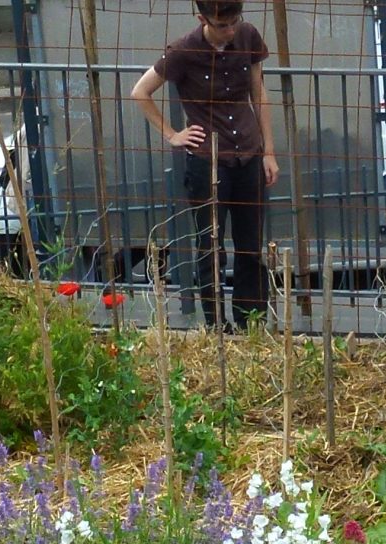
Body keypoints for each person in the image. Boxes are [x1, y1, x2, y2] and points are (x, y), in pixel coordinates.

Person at [133, 0, 279, 330]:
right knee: (210, 245)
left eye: (234, 22)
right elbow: (140, 92)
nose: (230, 30)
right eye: (221, 25)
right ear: (202, 18)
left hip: (249, 154)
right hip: (207, 162)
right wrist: (172, 134)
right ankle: (216, 325)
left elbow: (259, 94)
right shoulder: (183, 50)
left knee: (251, 246)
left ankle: (250, 324)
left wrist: (268, 152)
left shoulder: (249, 36)